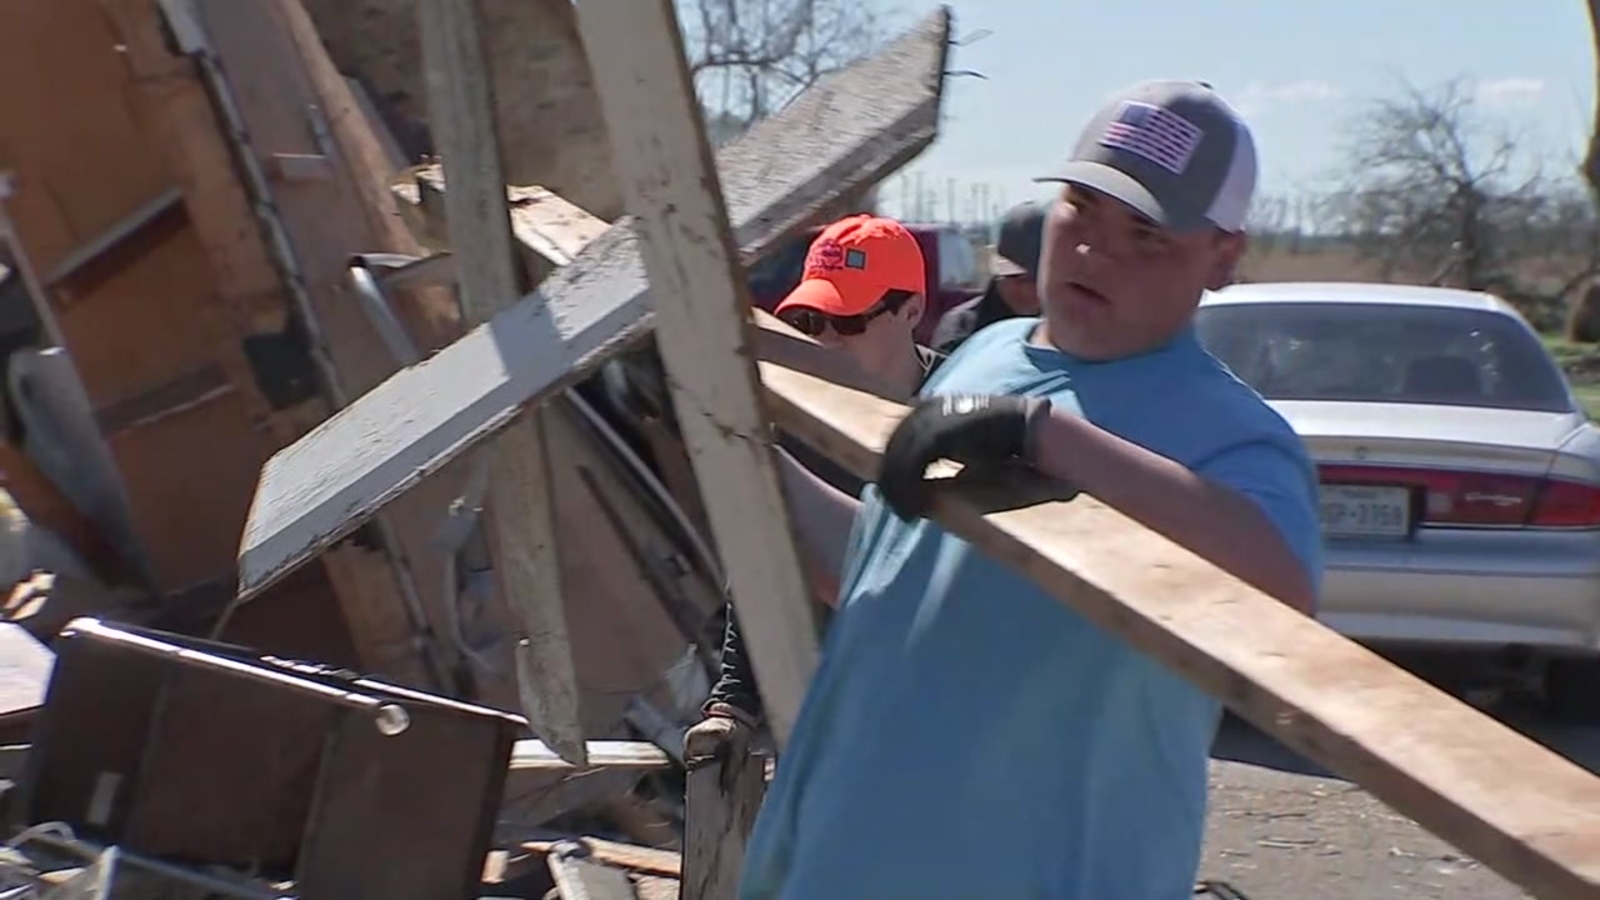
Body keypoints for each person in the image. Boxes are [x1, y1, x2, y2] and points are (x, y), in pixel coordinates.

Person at [737, 80, 1324, 899]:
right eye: (1081, 206)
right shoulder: (989, 357)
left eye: (1146, 234)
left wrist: (1047, 438)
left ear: (1222, 256)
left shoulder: (1226, 433)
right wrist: (715, 455)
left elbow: (1282, 597)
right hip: (833, 862)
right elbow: (876, 571)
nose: (1095, 249)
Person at [686, 214, 944, 750]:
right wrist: (734, 701)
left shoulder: (960, 413)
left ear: (912, 311)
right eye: (810, 321)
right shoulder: (798, 423)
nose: (825, 340)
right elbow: (768, 559)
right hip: (827, 714)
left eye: (848, 321)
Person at [929, 200, 1045, 354]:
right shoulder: (963, 328)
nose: (1026, 291)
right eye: (1015, 279)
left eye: (1034, 281)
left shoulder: (1074, 331)